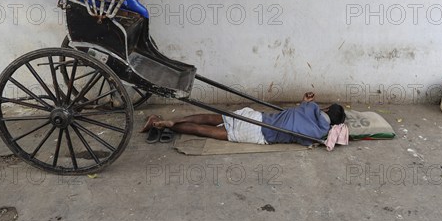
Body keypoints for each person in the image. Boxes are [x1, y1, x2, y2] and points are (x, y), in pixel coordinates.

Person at [140, 92, 346, 146]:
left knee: (208, 117)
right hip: (258, 134)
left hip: (256, 117)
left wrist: (306, 102)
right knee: (204, 131)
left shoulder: (308, 107)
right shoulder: (319, 134)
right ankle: (165, 125)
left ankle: (170, 120)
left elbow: (303, 108)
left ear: (325, 108)